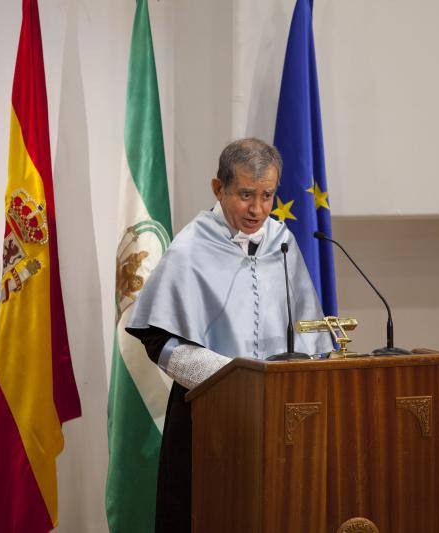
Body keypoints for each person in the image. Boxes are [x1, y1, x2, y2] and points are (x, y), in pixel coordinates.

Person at [125, 137, 332, 533]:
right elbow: (156, 338)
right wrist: (230, 378)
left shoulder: (283, 244)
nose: (257, 209)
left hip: (281, 420)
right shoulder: (190, 248)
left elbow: (312, 335)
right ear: (218, 189)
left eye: (267, 195)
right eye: (245, 195)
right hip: (209, 418)